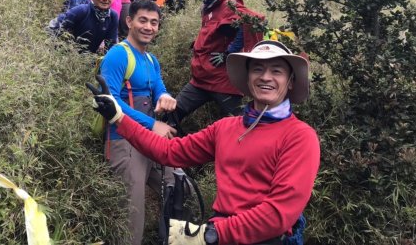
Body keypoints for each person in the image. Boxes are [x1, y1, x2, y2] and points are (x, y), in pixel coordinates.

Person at [89, 40, 320, 245]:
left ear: (290, 82)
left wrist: (214, 234)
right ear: (248, 79)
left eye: (276, 71)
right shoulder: (226, 128)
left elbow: (278, 213)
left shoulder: (299, 137)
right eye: (258, 69)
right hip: (219, 232)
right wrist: (118, 118)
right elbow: (169, 151)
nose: (266, 77)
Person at [96, 0, 180, 245]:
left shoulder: (151, 60)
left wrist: (164, 96)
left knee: (178, 185)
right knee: (132, 214)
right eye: (143, 20)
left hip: (150, 143)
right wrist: (152, 124)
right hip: (124, 142)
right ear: (129, 21)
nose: (149, 27)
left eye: (154, 22)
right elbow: (109, 100)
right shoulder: (118, 55)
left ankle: (171, 238)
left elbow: (159, 87)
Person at [172, 0, 264, 124]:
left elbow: (252, 21)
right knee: (173, 114)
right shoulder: (211, 5)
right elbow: (219, 28)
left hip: (222, 82)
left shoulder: (229, 4)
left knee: (243, 123)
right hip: (201, 78)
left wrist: (229, 53)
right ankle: (173, 145)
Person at [47, 0, 118, 54]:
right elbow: (56, 29)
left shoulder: (113, 16)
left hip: (88, 60)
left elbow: (111, 46)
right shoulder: (81, 11)